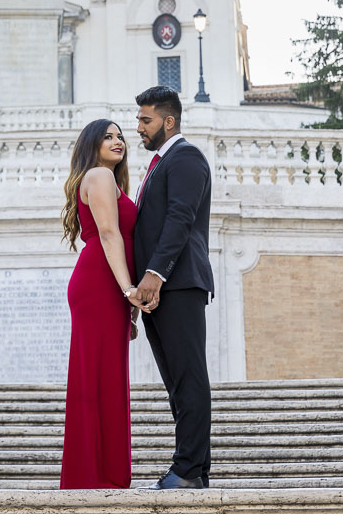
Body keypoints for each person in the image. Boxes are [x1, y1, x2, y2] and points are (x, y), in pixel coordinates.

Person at [133, 86, 214, 490]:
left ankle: (185, 471)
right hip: (161, 290)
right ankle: (194, 471)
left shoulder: (186, 158)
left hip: (178, 284)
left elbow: (180, 218)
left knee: (189, 378)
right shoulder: (160, 164)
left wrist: (155, 274)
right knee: (178, 383)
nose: (139, 129)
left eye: (145, 121)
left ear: (169, 121)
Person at [60, 119, 147, 489]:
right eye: (108, 137)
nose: (118, 141)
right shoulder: (98, 176)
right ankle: (93, 475)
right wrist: (130, 291)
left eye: (120, 136)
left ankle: (103, 473)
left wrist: (124, 296)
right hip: (99, 283)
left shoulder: (109, 180)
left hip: (107, 283)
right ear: (92, 145)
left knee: (107, 376)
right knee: (96, 377)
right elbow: (110, 235)